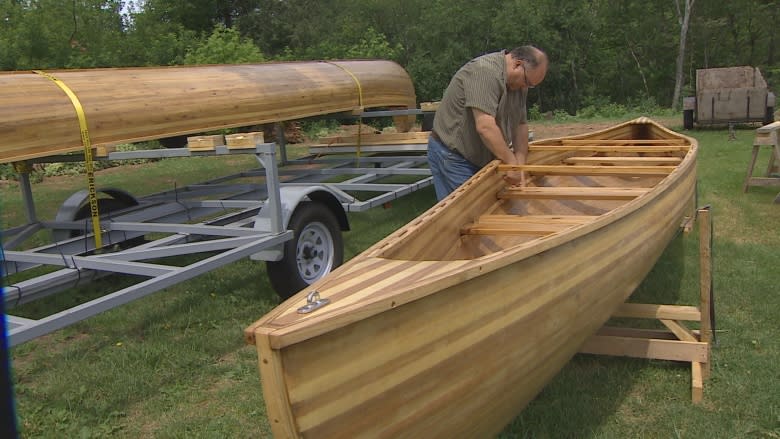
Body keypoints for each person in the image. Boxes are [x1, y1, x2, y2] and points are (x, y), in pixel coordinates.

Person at [427, 45, 548, 200]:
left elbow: (521, 125)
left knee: (482, 210)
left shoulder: (519, 84)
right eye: (527, 82)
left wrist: (520, 166)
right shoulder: (484, 72)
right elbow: (485, 126)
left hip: (480, 155)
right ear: (517, 64)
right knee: (465, 216)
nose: (526, 87)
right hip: (453, 156)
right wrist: (511, 162)